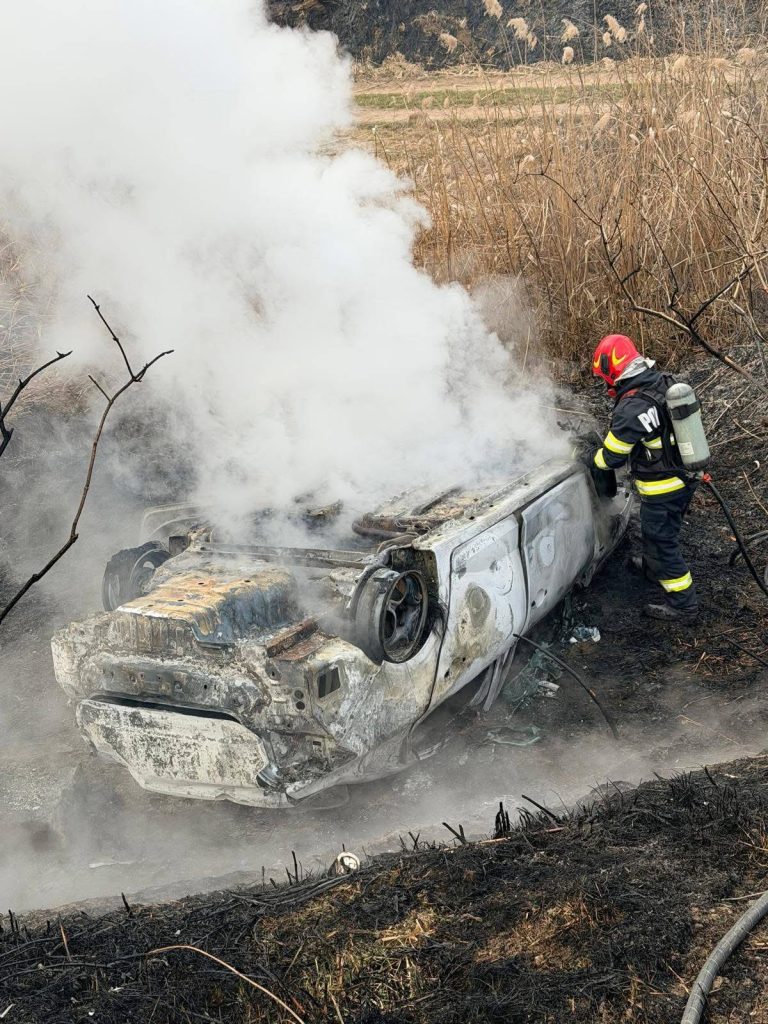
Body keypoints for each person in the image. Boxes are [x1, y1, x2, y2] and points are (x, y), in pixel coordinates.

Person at [591, 333, 699, 622]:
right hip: (682, 478)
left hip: (664, 488)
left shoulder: (632, 407)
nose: (606, 385)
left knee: (662, 541)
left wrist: (590, 457)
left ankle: (683, 604)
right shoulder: (661, 382)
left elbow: (611, 457)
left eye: (605, 377)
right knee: (657, 532)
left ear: (613, 370)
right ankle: (653, 569)